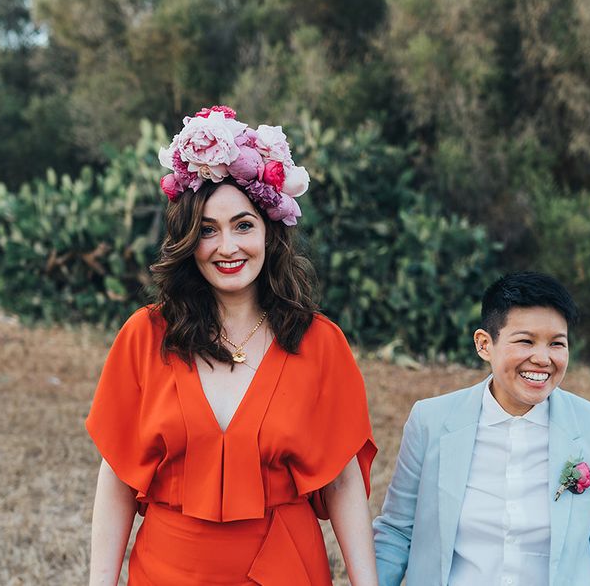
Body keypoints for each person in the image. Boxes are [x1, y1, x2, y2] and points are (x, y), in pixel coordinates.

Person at [86, 106, 378, 586]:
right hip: (167, 570)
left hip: (285, 567)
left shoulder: (320, 342)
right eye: (206, 229)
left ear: (269, 232)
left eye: (243, 225)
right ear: (186, 240)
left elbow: (343, 482)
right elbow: (117, 478)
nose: (227, 247)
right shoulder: (146, 336)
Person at [373, 271, 590, 586]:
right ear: (484, 345)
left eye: (557, 343)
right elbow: (395, 533)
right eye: (525, 341)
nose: (542, 358)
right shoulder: (430, 421)